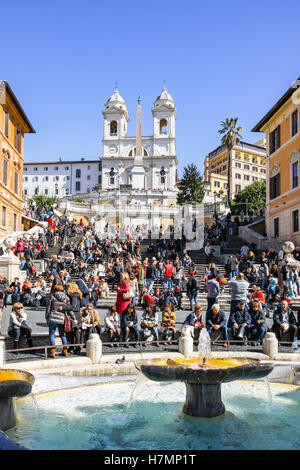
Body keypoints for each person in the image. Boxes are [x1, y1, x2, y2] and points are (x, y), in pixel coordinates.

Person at [45, 284, 77, 358]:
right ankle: (65, 350)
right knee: (62, 334)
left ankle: (52, 352)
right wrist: (74, 318)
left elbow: (48, 309)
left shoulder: (51, 296)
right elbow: (69, 309)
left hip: (53, 317)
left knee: (51, 334)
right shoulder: (66, 298)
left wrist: (47, 318)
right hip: (62, 318)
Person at [66, 281, 83, 354]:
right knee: (73, 331)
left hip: (75, 314)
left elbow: (73, 306)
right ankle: (72, 346)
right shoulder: (76, 295)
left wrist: (65, 307)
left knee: (75, 331)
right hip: (76, 314)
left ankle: (77, 347)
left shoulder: (74, 296)